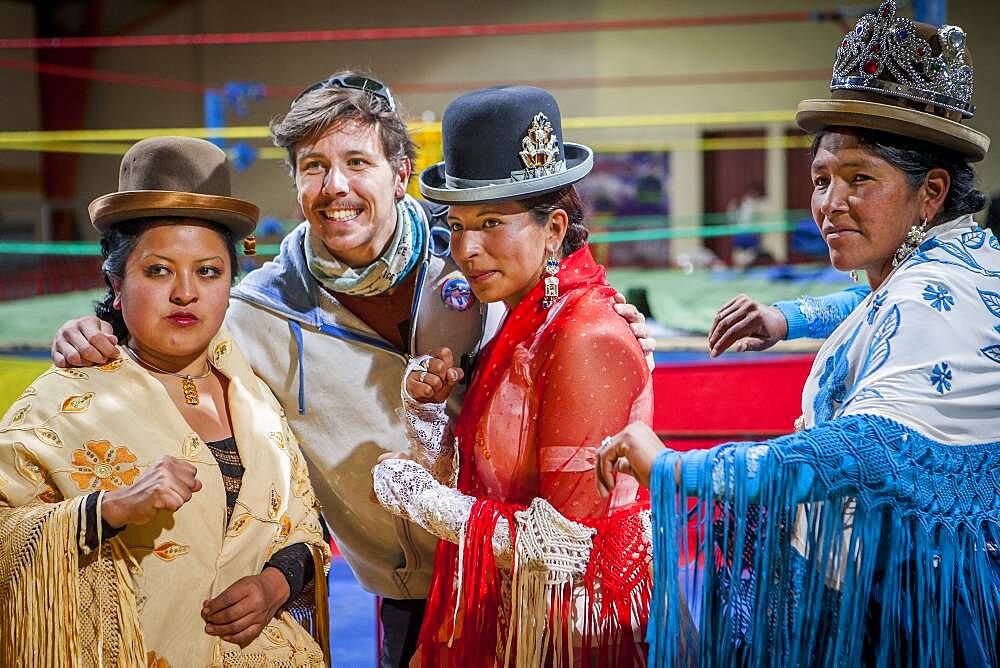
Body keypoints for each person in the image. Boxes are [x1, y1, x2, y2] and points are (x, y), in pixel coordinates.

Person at [48, 72, 654, 667]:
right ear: (296, 186)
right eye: (313, 166)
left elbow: (571, 365)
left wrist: (595, 330)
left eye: (358, 162)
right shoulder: (253, 313)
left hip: (525, 598)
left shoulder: (476, 273)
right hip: (410, 600)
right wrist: (99, 331)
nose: (336, 185)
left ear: (401, 175)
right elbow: (169, 334)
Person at [598, 5, 1000, 666]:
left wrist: (675, 467)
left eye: (859, 179)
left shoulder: (938, 303)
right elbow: (874, 301)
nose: (829, 203)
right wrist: (787, 319)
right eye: (821, 179)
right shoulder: (964, 257)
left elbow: (856, 452)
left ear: (929, 193)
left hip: (899, 617)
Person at [0, 137, 330, 667]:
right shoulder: (60, 402)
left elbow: (304, 527)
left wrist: (274, 585)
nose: (185, 293)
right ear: (115, 279)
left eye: (208, 271)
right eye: (157, 270)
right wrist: (106, 510)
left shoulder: (256, 395)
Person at [372, 86, 654, 667]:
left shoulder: (583, 335)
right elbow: (497, 479)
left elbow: (565, 545)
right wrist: (428, 418)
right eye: (457, 226)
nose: (467, 249)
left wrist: (421, 498)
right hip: (517, 624)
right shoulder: (525, 320)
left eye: (493, 222)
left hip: (568, 640)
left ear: (553, 229)